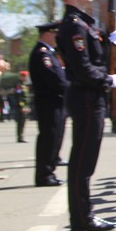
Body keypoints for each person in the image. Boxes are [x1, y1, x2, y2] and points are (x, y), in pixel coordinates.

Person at [56, 0, 116, 231]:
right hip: (86, 96)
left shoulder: (83, 24)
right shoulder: (74, 25)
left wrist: (109, 41)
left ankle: (83, 214)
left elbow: (94, 59)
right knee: (83, 159)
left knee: (86, 158)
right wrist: (109, 81)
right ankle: (82, 217)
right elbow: (83, 68)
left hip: (90, 95)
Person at [29, 21, 68, 186]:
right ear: (47, 34)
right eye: (55, 34)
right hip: (49, 102)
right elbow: (55, 80)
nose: (57, 38)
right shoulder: (42, 54)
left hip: (54, 101)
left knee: (54, 137)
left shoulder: (48, 53)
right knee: (49, 138)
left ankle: (48, 172)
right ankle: (45, 175)